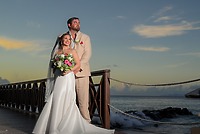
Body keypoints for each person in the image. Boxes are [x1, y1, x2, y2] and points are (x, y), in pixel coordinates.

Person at [32, 33, 115, 134]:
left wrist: (68, 70)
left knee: (67, 98)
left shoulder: (72, 51)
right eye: (65, 38)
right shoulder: (57, 52)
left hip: (68, 77)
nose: (67, 40)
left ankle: (66, 126)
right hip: (59, 77)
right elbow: (53, 64)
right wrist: (58, 67)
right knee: (56, 98)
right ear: (61, 40)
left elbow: (78, 64)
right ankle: (53, 125)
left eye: (68, 39)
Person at [66, 17, 91, 123]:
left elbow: (87, 54)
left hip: (82, 73)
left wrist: (77, 67)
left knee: (83, 102)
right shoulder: (63, 37)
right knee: (67, 101)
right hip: (66, 74)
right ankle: (70, 124)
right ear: (69, 25)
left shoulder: (85, 37)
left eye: (79, 22)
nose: (78, 24)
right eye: (75, 22)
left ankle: (86, 124)